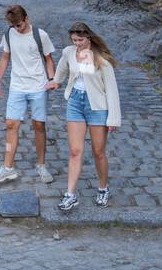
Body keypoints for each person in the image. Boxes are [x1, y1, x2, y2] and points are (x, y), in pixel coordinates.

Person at [48, 22, 121, 211]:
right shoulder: (68, 52)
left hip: (97, 107)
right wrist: (56, 81)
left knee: (98, 152)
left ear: (88, 37)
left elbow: (111, 91)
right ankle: (70, 195)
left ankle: (103, 188)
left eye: (80, 40)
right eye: (74, 40)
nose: (77, 43)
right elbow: (63, 69)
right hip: (75, 103)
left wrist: (113, 118)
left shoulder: (101, 60)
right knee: (75, 151)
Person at [0, 5, 57, 186]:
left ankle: (41, 165)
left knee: (39, 125)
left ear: (26, 19)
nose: (16, 29)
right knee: (11, 124)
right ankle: (7, 167)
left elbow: (49, 59)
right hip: (17, 86)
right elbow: (5, 57)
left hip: (37, 86)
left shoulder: (40, 35)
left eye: (19, 25)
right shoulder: (9, 34)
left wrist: (52, 79)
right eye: (13, 26)